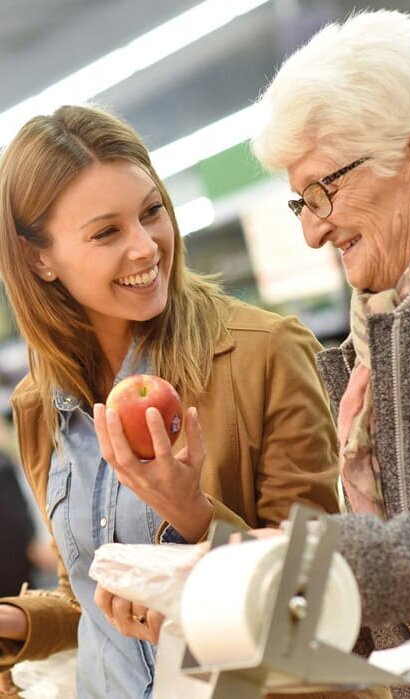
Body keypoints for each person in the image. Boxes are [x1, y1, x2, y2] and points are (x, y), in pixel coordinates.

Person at [0, 104, 339, 698]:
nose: (146, 247)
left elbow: (322, 592)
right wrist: (24, 623)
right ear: (39, 259)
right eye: (107, 232)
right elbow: (91, 595)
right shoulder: (39, 404)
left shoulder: (265, 354)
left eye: (152, 212)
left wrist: (195, 516)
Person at [251, 8, 410, 699]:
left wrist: (331, 561)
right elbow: (400, 626)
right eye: (297, 204)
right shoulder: (372, 348)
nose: (312, 232)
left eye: (323, 189)